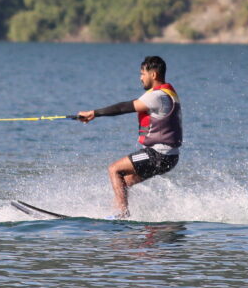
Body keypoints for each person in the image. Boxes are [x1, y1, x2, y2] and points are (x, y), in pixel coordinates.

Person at [77, 56, 183, 218]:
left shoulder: (157, 96)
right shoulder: (168, 93)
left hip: (159, 154)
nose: (141, 78)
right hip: (170, 156)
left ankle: (122, 214)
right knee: (123, 183)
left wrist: (94, 113)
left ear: (153, 75)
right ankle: (115, 214)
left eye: (142, 74)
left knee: (114, 169)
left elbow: (123, 108)